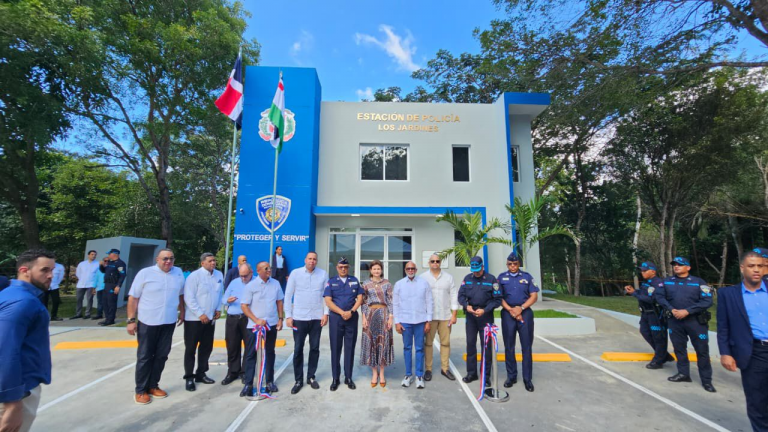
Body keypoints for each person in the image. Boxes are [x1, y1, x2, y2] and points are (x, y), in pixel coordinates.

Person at [0, 249, 54, 431]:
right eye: (45, 270)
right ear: (25, 270)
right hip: (19, 391)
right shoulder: (23, 302)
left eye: (52, 270)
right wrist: (13, 402)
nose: (51, 275)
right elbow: (5, 350)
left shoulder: (12, 295)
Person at [126, 249, 185, 405]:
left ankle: (153, 385)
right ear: (157, 259)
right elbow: (133, 298)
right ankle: (140, 390)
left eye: (171, 258)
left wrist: (183, 312)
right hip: (148, 321)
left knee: (162, 355)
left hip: (168, 321)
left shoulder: (178, 273)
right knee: (145, 356)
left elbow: (181, 294)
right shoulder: (145, 274)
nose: (168, 261)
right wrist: (131, 320)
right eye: (165, 258)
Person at [717, 251, 768, 431]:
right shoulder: (728, 294)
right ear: (742, 268)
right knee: (757, 400)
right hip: (754, 352)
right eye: (751, 266)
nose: (756, 270)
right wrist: (725, 353)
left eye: (760, 266)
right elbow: (723, 327)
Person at [655, 256, 715, 392]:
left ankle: (706, 381)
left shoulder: (698, 282)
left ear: (688, 267)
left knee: (702, 351)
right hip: (675, 321)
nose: (676, 266)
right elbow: (659, 297)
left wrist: (687, 311)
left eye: (680, 265)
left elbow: (707, 301)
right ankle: (683, 374)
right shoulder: (667, 282)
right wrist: (671, 309)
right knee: (679, 349)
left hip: (695, 322)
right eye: (675, 264)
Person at [285, 252, 329, 394]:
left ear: (317, 261)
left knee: (314, 348)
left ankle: (311, 377)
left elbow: (327, 295)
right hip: (299, 318)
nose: (312, 261)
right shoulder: (295, 273)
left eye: (314, 259)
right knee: (298, 349)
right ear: (305, 260)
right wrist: (288, 316)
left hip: (316, 317)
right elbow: (288, 295)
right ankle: (298, 380)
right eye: (309, 259)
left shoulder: (323, 274)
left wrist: (325, 313)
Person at [240, 261, 284, 398]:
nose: (269, 270)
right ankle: (248, 384)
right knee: (250, 354)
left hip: (270, 324)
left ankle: (269, 381)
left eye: (269, 268)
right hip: (254, 326)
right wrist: (256, 320)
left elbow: (279, 301)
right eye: (266, 269)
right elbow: (244, 306)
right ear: (258, 271)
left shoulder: (275, 284)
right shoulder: (251, 285)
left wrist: (280, 318)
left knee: (270, 352)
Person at [458, 256, 502, 386]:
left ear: (483, 267)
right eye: (474, 270)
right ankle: (471, 373)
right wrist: (466, 306)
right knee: (470, 345)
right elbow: (461, 296)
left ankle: (486, 375)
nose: (476, 272)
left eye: (478, 269)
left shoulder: (491, 279)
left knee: (486, 347)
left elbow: (497, 299)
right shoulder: (467, 279)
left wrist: (485, 310)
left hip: (486, 316)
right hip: (471, 317)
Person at [183, 252, 223, 391]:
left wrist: (218, 309)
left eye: (214, 260)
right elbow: (189, 298)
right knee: (191, 348)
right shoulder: (194, 276)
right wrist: (200, 314)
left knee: (206, 347)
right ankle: (189, 377)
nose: (213, 263)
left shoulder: (219, 275)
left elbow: (219, 293)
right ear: (202, 263)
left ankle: (201, 373)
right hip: (194, 320)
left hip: (211, 319)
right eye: (210, 261)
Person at [498, 253, 538, 392]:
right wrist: (511, 310)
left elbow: (534, 295)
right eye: (510, 264)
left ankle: (527, 379)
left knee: (526, 347)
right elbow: (499, 297)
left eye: (515, 264)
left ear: (519, 264)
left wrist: (520, 309)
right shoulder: (501, 277)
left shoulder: (527, 277)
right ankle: (511, 376)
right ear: (507, 264)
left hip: (525, 313)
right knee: (509, 346)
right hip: (508, 314)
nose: (513, 266)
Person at [623, 261, 674, 369]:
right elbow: (643, 294)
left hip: (655, 314)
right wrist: (634, 291)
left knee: (658, 337)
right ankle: (664, 355)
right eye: (641, 270)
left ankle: (658, 360)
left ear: (653, 271)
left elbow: (651, 299)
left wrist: (634, 293)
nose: (642, 272)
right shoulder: (646, 282)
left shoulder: (658, 283)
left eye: (645, 270)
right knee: (644, 331)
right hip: (646, 313)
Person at [324, 257, 363, 391]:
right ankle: (335, 378)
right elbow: (328, 301)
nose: (343, 269)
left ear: (348, 267)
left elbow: (360, 298)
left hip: (351, 318)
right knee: (335, 348)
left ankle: (348, 377)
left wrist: (351, 311)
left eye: (345, 267)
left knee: (350, 348)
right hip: (336, 319)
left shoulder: (354, 280)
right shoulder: (331, 282)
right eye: (341, 267)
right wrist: (342, 312)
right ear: (337, 267)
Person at [393, 261, 432, 389]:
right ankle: (408, 375)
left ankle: (419, 375)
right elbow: (396, 304)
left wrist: (428, 321)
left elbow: (429, 302)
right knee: (407, 348)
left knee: (420, 348)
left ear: (416, 269)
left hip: (420, 321)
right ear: (405, 270)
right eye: (408, 268)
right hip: (405, 321)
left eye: (413, 268)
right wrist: (397, 322)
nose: (410, 270)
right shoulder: (399, 284)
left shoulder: (424, 283)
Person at [420, 254, 458, 381]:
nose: (435, 263)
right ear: (429, 263)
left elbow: (453, 295)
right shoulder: (423, 278)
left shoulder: (448, 278)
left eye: (437, 261)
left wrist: (454, 315)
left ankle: (445, 368)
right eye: (432, 261)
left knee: (445, 343)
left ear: (440, 262)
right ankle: (428, 369)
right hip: (429, 317)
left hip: (445, 316)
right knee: (428, 343)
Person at [360, 260, 394, 388]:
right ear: (370, 270)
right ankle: (374, 373)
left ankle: (382, 373)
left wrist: (391, 317)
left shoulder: (387, 284)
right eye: (374, 269)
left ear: (381, 270)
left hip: (383, 314)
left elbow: (391, 301)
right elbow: (363, 302)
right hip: (369, 314)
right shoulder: (366, 284)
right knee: (371, 344)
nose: (376, 271)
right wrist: (363, 317)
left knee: (383, 343)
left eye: (378, 269)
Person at [220, 263, 252, 386]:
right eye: (241, 276)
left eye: (245, 276)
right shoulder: (234, 282)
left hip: (247, 318)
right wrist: (227, 300)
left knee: (249, 346)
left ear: (251, 272)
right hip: (233, 317)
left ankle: (245, 372)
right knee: (232, 346)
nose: (243, 278)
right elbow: (223, 299)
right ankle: (232, 372)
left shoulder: (255, 283)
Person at [99, 249, 127, 326]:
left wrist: (118, 286)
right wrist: (101, 265)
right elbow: (104, 271)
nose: (108, 255)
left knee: (111, 303)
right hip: (107, 285)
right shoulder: (110, 262)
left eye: (109, 254)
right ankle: (107, 318)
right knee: (105, 302)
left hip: (113, 285)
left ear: (114, 254)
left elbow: (122, 275)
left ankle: (111, 320)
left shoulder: (120, 263)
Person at [73, 250, 99, 319]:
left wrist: (95, 285)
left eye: (95, 255)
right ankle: (78, 313)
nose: (93, 256)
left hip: (91, 284)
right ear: (88, 255)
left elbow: (97, 275)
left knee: (89, 299)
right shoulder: (82, 264)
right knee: (79, 299)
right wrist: (82, 279)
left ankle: (87, 314)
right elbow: (78, 273)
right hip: (81, 284)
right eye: (92, 254)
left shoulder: (97, 264)